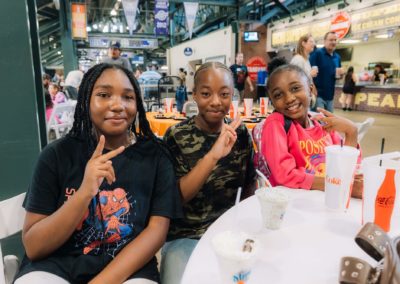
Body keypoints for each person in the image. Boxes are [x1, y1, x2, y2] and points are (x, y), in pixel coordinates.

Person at [15, 63, 182, 284]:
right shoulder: (57, 155)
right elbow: (34, 247)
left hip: (126, 270)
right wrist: (85, 192)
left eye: (128, 97)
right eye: (104, 95)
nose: (117, 105)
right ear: (86, 100)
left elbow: (156, 232)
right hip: (55, 266)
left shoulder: (157, 157)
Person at [160, 62, 257, 284]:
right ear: (193, 95)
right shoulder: (177, 136)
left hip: (230, 233)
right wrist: (213, 155)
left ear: (232, 95)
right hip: (186, 235)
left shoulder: (240, 133)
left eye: (224, 94)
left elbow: (249, 186)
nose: (215, 102)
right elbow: (177, 198)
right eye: (205, 94)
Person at [259, 60, 362, 197]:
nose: (289, 98)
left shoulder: (321, 123)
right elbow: (285, 175)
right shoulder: (276, 124)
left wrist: (351, 132)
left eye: (295, 88)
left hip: (329, 198)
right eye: (278, 95)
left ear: (311, 89)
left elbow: (347, 166)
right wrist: (340, 185)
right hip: (298, 203)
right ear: (272, 102)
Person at [310, 31, 343, 112]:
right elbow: (309, 73)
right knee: (319, 121)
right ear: (324, 41)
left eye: (335, 40)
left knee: (330, 121)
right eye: (331, 40)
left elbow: (337, 76)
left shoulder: (337, 57)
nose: (333, 42)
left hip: (330, 96)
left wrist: (341, 75)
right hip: (318, 95)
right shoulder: (317, 54)